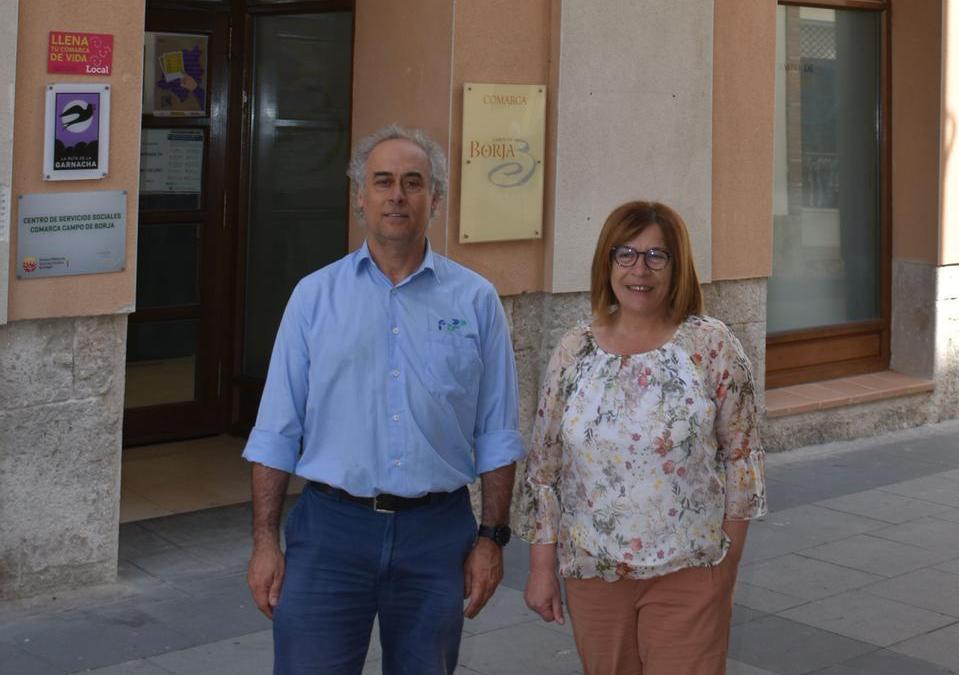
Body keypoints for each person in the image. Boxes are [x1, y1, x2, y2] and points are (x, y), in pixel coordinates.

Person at [243, 124, 525, 675]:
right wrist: (264, 542)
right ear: (359, 197)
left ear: (435, 199)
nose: (397, 195)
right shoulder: (313, 298)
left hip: (436, 535)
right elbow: (277, 430)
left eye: (413, 182)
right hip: (329, 532)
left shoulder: (475, 300)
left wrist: (491, 538)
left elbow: (497, 431)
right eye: (383, 181)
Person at [519, 201, 767, 675]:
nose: (640, 269)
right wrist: (540, 569)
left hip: (689, 570)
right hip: (594, 572)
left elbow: (743, 461)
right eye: (626, 254)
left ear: (677, 267)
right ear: (607, 264)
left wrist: (725, 568)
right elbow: (543, 470)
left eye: (657, 256)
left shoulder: (710, 346)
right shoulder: (575, 350)